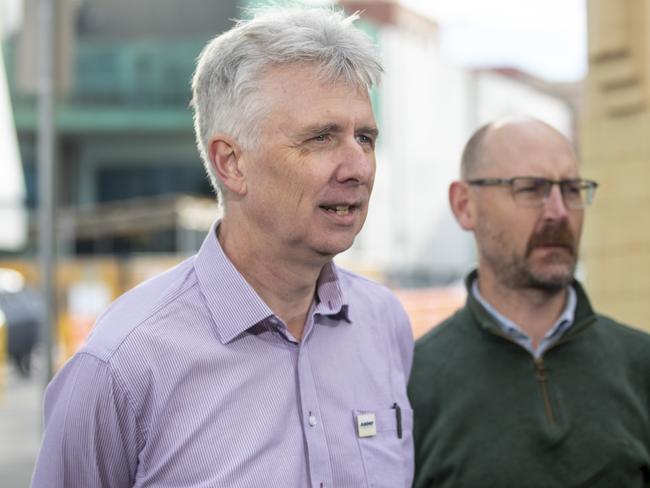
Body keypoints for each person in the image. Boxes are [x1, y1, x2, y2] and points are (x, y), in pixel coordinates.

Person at [31, 7, 414, 488]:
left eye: (365, 137)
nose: (358, 166)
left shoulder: (385, 325)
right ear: (231, 163)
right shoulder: (122, 365)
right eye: (321, 138)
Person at [409, 116, 650, 488]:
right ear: (464, 205)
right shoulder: (413, 384)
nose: (558, 211)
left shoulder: (640, 364)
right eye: (530, 189)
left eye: (571, 189)